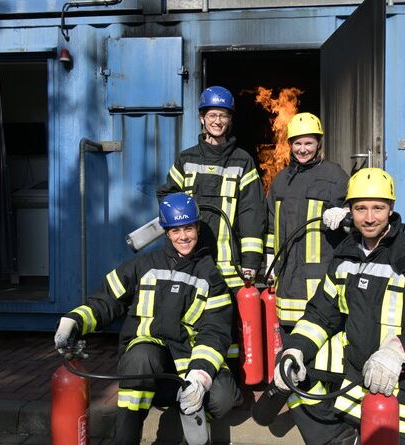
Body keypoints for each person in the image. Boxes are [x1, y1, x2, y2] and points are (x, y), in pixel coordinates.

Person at [274, 168, 405, 445]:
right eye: (360, 209)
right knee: (291, 372)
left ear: (391, 208)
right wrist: (295, 349)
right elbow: (320, 314)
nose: (369, 218)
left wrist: (399, 351)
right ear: (350, 211)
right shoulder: (344, 257)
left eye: (378, 208)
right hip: (357, 387)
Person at [54, 193, 241, 445]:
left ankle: (189, 411)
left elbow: (215, 332)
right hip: (146, 363)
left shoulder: (211, 278)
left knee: (223, 397)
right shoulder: (143, 265)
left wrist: (199, 378)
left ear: (197, 228)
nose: (183, 237)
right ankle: (126, 439)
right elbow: (106, 300)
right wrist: (74, 321)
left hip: (188, 364)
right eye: (175, 230)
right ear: (166, 232)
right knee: (140, 357)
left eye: (188, 228)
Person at [157, 86, 266, 293]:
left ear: (230, 120)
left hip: (229, 269)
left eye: (223, 115)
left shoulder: (243, 161)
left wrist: (251, 262)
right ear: (202, 118)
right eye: (212, 115)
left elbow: (252, 213)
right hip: (189, 262)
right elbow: (167, 198)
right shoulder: (186, 159)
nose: (217, 121)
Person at [265, 112, 350, 327]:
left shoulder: (335, 176)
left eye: (309, 143)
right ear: (290, 145)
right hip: (286, 278)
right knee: (288, 335)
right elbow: (271, 225)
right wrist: (269, 260)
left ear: (319, 143)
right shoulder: (281, 181)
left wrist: (345, 213)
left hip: (321, 278)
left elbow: (359, 216)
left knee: (319, 335)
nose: (303, 149)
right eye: (298, 143)